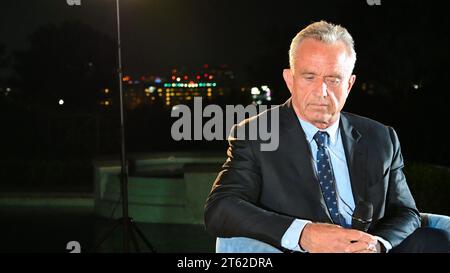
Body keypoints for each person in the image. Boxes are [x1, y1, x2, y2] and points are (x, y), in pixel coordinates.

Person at [204, 21, 450, 253]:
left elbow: (406, 212)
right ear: (290, 80)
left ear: (349, 84)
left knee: (433, 241)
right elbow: (220, 208)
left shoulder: (380, 137)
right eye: (309, 77)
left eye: (333, 79)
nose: (321, 91)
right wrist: (305, 234)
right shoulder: (257, 133)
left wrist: (375, 244)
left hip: (368, 247)